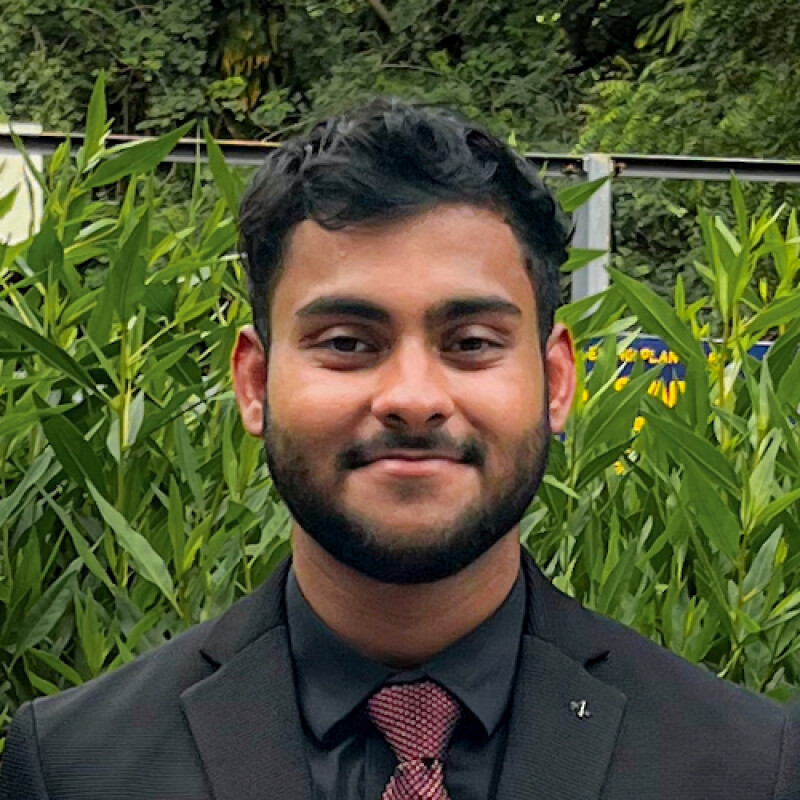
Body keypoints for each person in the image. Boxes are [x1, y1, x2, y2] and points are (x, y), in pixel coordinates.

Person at [1, 99, 798, 800]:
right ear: (254, 383)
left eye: (472, 342)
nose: (414, 397)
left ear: (556, 383)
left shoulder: (745, 767)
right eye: (348, 342)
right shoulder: (77, 767)